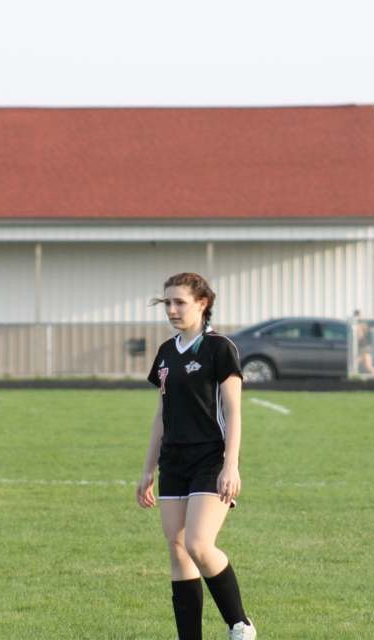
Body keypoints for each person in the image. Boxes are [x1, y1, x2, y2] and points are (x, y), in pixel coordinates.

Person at [137, 272, 256, 640]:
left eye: (180, 302)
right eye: (167, 303)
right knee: (177, 549)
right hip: (173, 461)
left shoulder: (220, 348)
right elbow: (161, 414)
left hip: (211, 459)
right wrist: (148, 470)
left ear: (202, 303)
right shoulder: (166, 352)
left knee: (198, 544)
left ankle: (240, 624)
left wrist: (231, 465)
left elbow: (233, 411)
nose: (171, 310)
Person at [353, 309, 374, 375]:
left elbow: (361, 336)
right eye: (356, 315)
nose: (358, 317)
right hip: (363, 347)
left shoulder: (362, 325)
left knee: (356, 363)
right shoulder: (357, 324)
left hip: (364, 347)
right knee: (367, 366)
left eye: (358, 315)